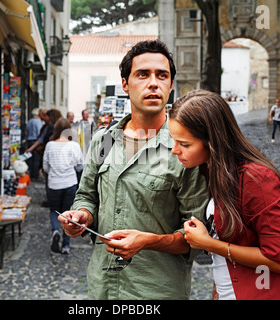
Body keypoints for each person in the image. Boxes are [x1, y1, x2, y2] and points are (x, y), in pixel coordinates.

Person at [58, 40, 209, 300]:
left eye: (162, 75)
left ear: (171, 85)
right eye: (142, 74)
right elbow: (87, 196)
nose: (153, 83)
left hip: (155, 290)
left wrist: (148, 240)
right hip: (102, 286)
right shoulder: (104, 139)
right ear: (125, 84)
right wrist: (81, 216)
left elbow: (196, 234)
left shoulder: (185, 148)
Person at [168, 89, 280, 300]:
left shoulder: (256, 180)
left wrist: (208, 244)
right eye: (174, 140)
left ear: (212, 142)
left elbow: (279, 260)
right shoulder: (212, 170)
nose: (174, 150)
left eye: (184, 144)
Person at [43, 118, 83, 254]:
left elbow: (45, 167)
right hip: (70, 183)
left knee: (54, 210)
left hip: (54, 183)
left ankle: (55, 231)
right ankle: (66, 246)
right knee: (68, 214)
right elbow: (80, 166)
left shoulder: (49, 145)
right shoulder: (74, 146)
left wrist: (54, 172)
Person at [25, 108, 43, 180]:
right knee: (36, 159)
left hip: (29, 141)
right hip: (36, 142)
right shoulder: (38, 122)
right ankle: (35, 175)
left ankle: (30, 173)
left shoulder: (29, 121)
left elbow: (26, 132)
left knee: (30, 159)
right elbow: (40, 133)